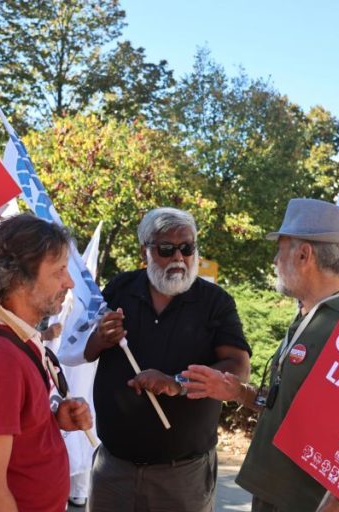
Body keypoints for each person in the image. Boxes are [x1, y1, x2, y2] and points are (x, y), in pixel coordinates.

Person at [181, 198, 339, 512]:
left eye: (280, 250)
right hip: (275, 494)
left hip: (305, 502)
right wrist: (238, 392)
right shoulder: (309, 316)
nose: (275, 261)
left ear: (304, 254)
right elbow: (288, 405)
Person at [84, 207, 251, 512]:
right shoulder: (120, 288)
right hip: (113, 468)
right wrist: (101, 337)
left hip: (182, 474)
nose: (178, 258)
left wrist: (177, 383)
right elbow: (87, 350)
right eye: (166, 249)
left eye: (187, 248)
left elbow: (238, 368)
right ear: (144, 252)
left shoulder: (215, 302)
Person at [0, 214, 92, 512]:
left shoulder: (12, 339)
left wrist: (50, 419)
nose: (69, 282)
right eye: (59, 271)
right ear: (18, 279)